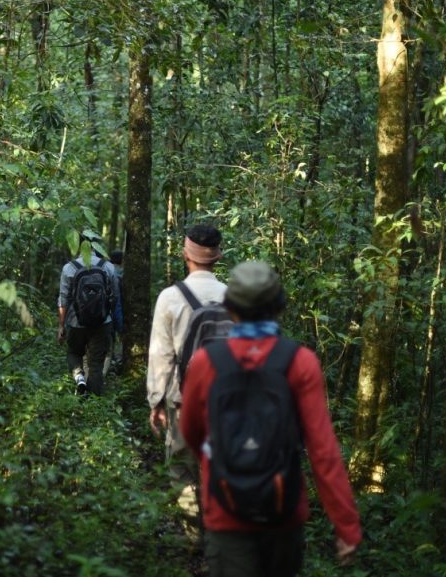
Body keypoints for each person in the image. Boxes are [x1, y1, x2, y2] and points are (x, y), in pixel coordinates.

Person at [180, 261, 361, 576]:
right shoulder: (301, 362)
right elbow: (323, 451)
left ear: (229, 308)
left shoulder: (205, 362)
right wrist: (346, 525)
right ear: (279, 306)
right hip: (283, 509)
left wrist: (220, 464)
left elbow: (191, 432)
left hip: (225, 508)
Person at [146, 224, 227, 516]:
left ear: (185, 254)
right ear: (218, 256)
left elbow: (161, 355)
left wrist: (157, 401)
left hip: (185, 401)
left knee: (182, 469)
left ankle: (193, 537)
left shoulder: (170, 297)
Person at [57, 231, 120, 396]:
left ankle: (79, 379)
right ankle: (94, 405)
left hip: (75, 322)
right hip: (102, 323)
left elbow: (63, 299)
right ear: (96, 246)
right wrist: (110, 319)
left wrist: (61, 326)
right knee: (96, 365)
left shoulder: (69, 268)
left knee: (74, 352)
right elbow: (114, 296)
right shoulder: (108, 267)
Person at [104, 249, 125, 376]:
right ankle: (115, 365)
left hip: (103, 312)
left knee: (108, 341)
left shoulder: (105, 269)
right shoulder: (120, 273)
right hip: (116, 310)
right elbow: (117, 299)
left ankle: (110, 364)